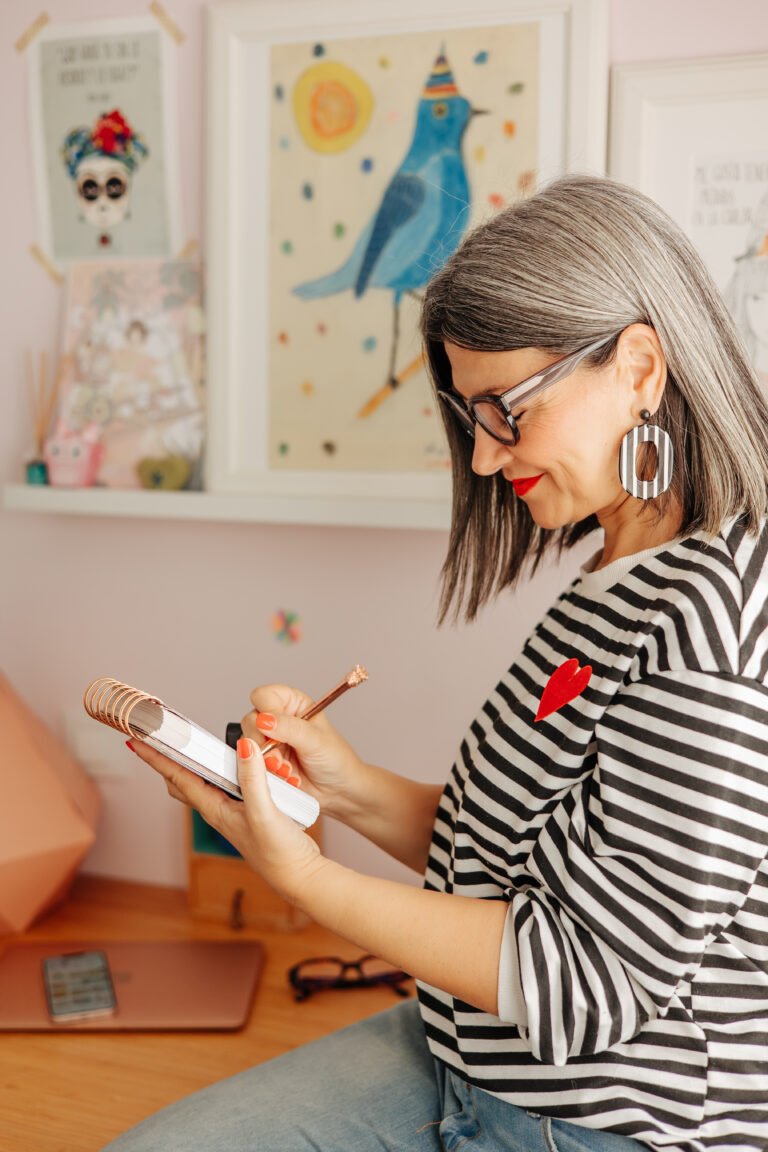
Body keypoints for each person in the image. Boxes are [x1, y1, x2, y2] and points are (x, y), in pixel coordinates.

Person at [107, 174, 768, 1152]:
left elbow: (589, 984)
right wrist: (347, 786)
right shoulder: (622, 573)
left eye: (508, 408)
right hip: (467, 1056)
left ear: (638, 365)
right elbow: (524, 860)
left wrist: (307, 884)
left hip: (599, 1120)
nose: (490, 459)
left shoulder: (709, 628)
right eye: (473, 420)